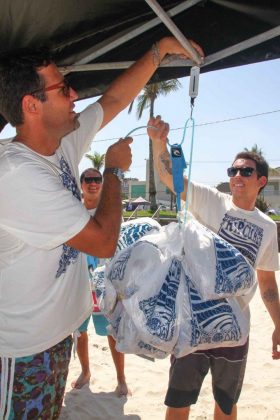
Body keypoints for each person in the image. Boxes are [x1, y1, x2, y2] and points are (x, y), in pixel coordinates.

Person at [0, 38, 204, 419]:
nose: (74, 93)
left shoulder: (59, 143)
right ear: (31, 105)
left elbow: (112, 101)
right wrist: (112, 170)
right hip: (23, 349)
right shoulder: (16, 174)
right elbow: (103, 242)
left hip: (55, 338)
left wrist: (159, 50)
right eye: (62, 89)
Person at [147, 116, 280, 420]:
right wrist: (158, 143)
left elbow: (267, 282)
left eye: (246, 171)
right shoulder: (212, 201)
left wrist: (278, 325)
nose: (237, 176)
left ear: (261, 180)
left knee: (226, 405)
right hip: (192, 324)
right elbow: (172, 179)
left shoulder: (267, 228)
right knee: (178, 403)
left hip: (234, 331)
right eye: (233, 170)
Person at [72, 167, 130, 396]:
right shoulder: (73, 211)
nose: (93, 183)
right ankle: (86, 371)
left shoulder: (111, 211)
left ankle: (121, 378)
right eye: (88, 179)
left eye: (97, 179)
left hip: (106, 280)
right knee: (79, 332)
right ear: (81, 183)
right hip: (78, 281)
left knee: (112, 331)